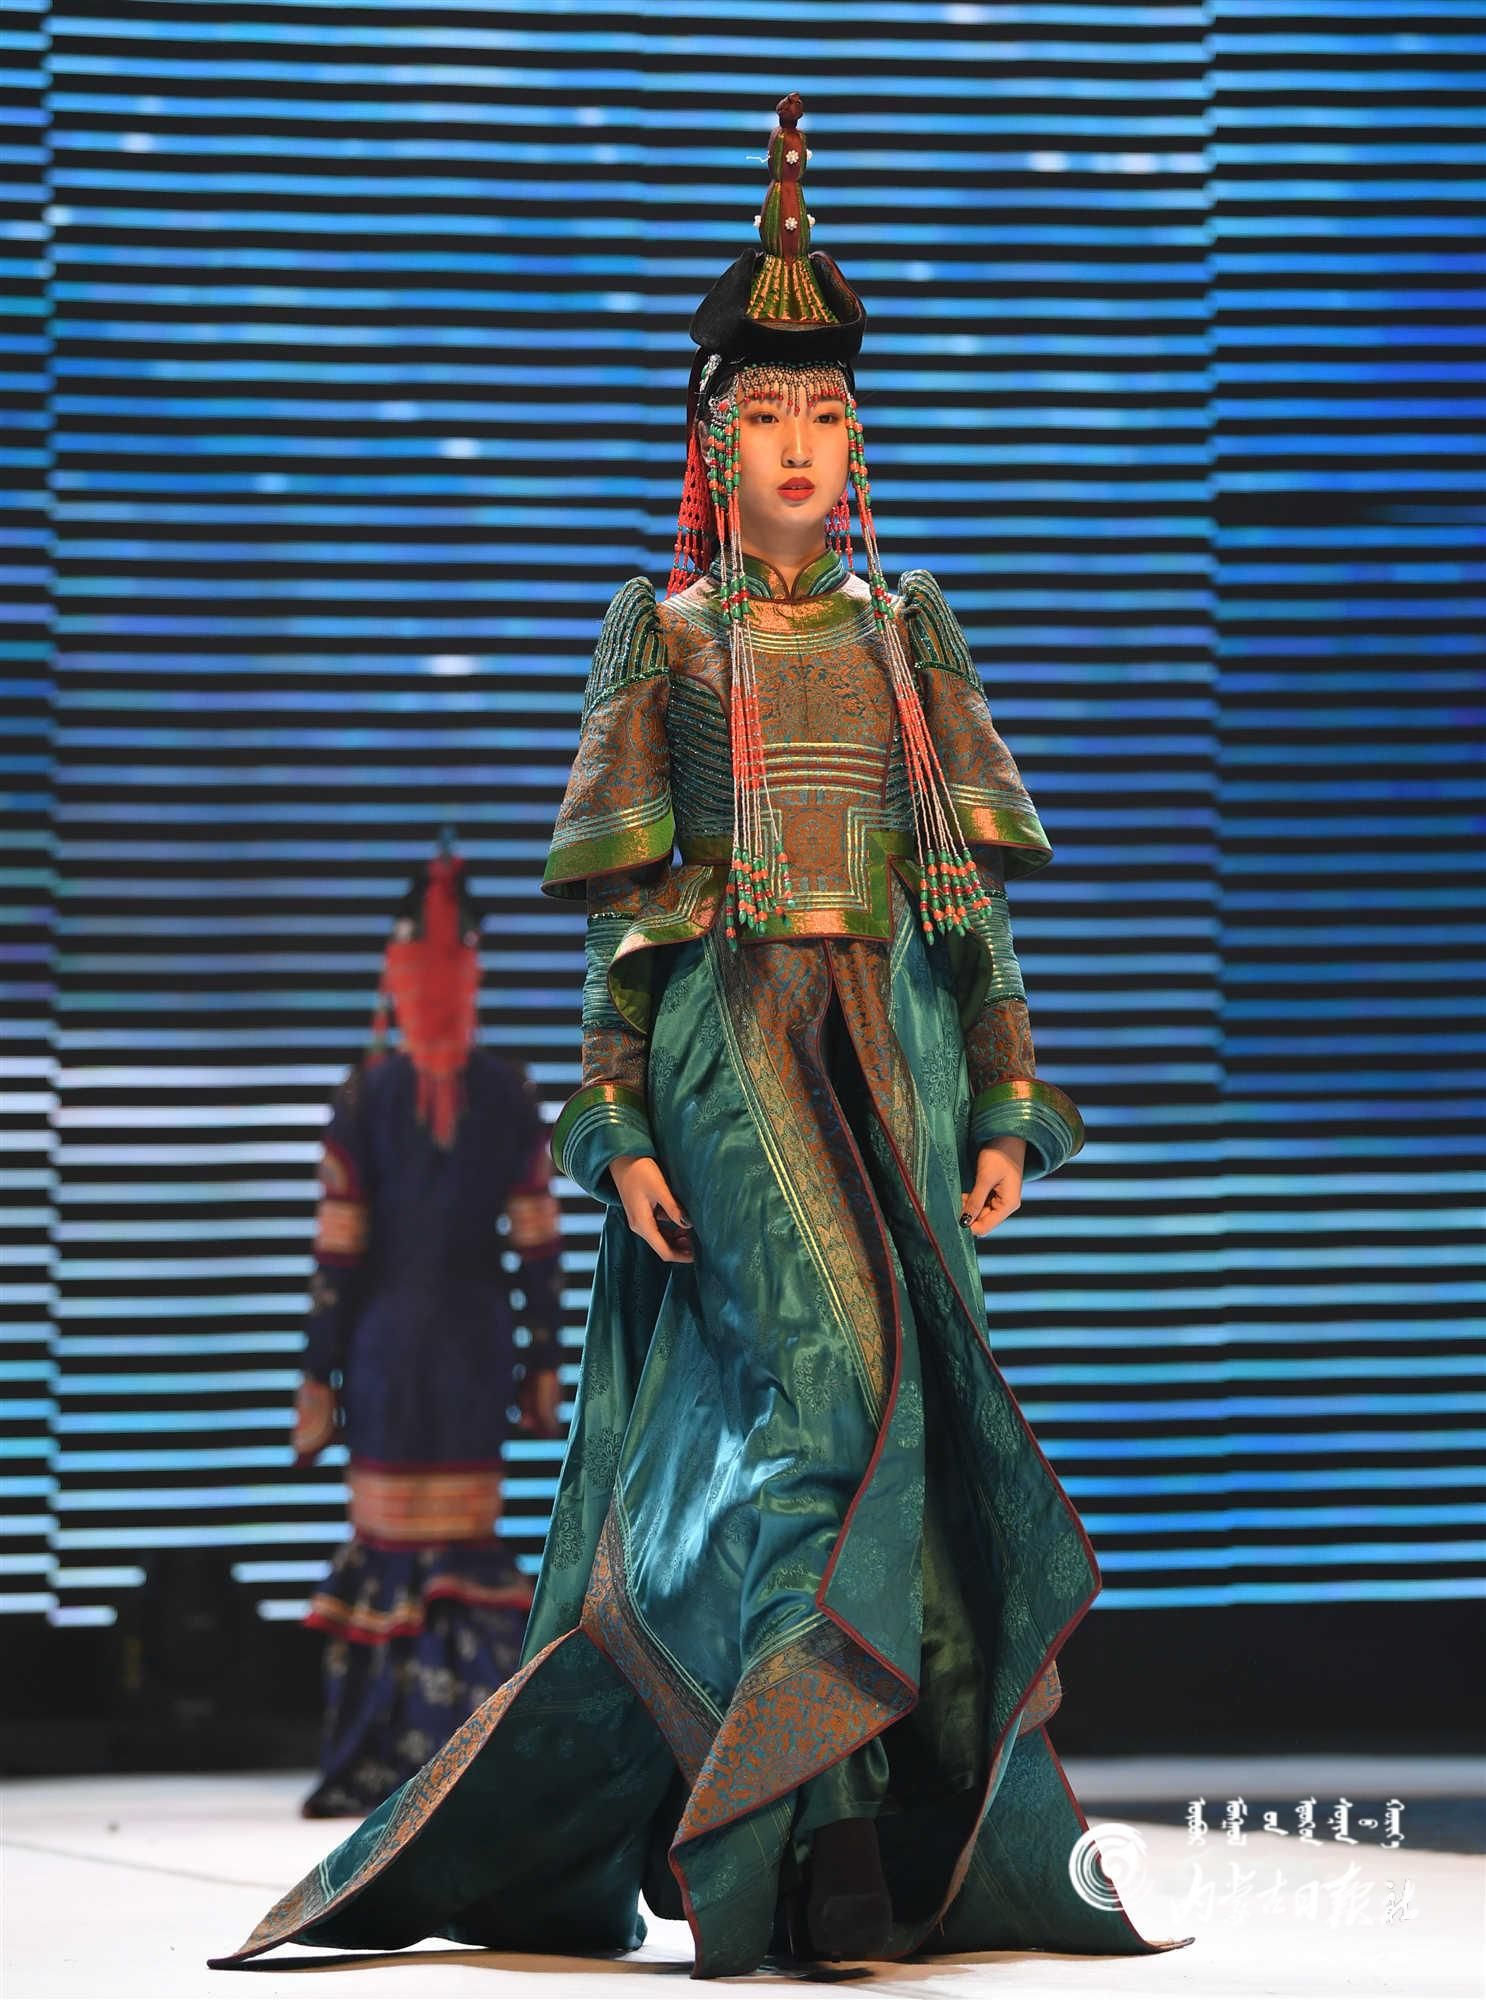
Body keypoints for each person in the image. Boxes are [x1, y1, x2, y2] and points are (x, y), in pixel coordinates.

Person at [213, 96, 1188, 1977]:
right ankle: (804, 1843)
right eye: (764, 413)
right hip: (732, 1039)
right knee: (832, 1393)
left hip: (894, 1049)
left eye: (825, 411)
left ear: (856, 436)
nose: (799, 443)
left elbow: (964, 895)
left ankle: (827, 1822)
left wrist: (1003, 1090)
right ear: (710, 438)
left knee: (897, 1418)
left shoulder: (910, 632)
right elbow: (630, 920)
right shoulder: (658, 639)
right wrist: (613, 1115)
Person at [288, 842, 563, 1817]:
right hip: (473, 1342)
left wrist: (315, 1373)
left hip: (387, 1346)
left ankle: (388, 1751)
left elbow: (338, 1253)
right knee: (462, 1540)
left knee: (395, 1541)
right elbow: (537, 1247)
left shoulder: (365, 1094)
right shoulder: (508, 1091)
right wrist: (544, 1358)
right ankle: (466, 1747)